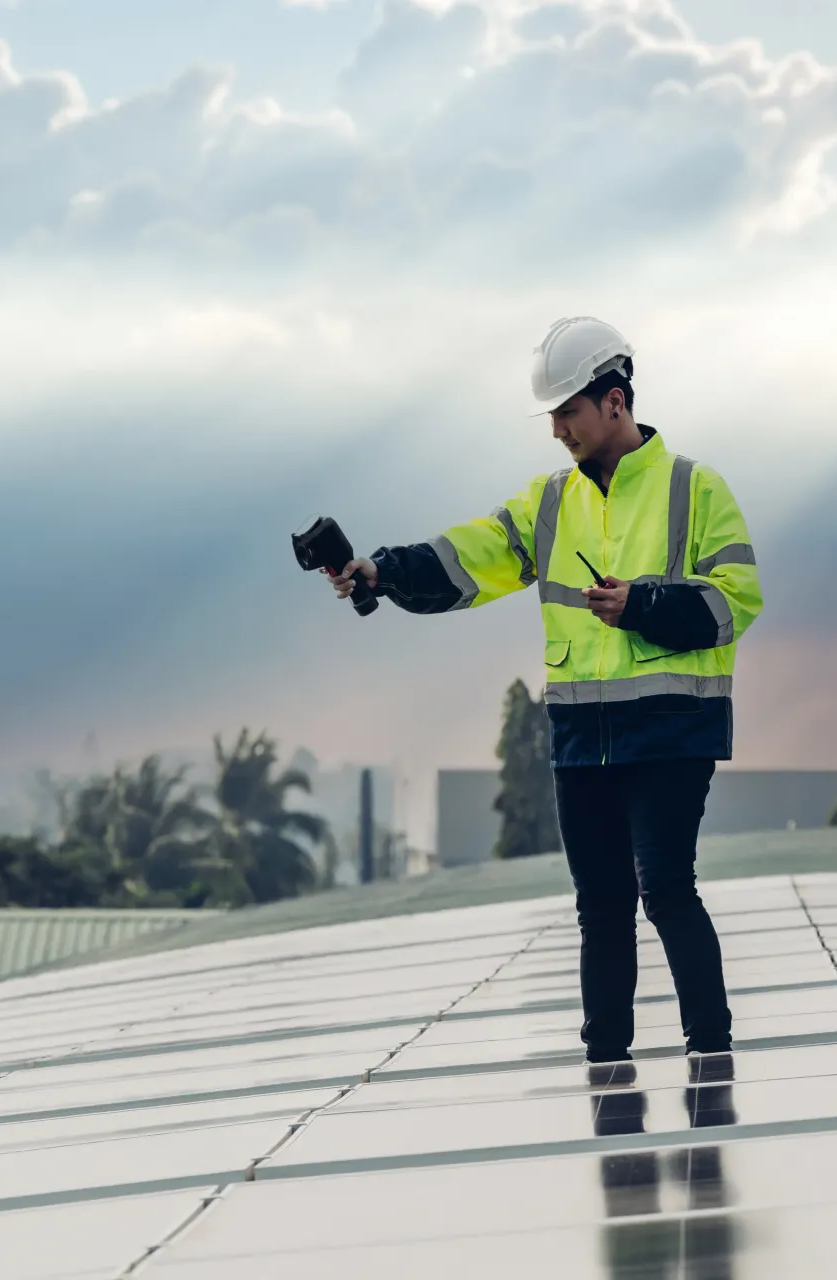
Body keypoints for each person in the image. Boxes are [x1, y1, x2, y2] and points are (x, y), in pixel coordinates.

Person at [319, 316, 761, 1082]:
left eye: (568, 413)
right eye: (552, 416)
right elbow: (469, 558)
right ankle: (606, 1067)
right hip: (580, 735)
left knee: (664, 888)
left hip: (670, 730)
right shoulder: (547, 503)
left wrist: (645, 605)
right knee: (600, 904)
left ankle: (712, 1054)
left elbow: (737, 602)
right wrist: (381, 573)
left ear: (615, 402)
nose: (556, 430)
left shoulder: (697, 487)